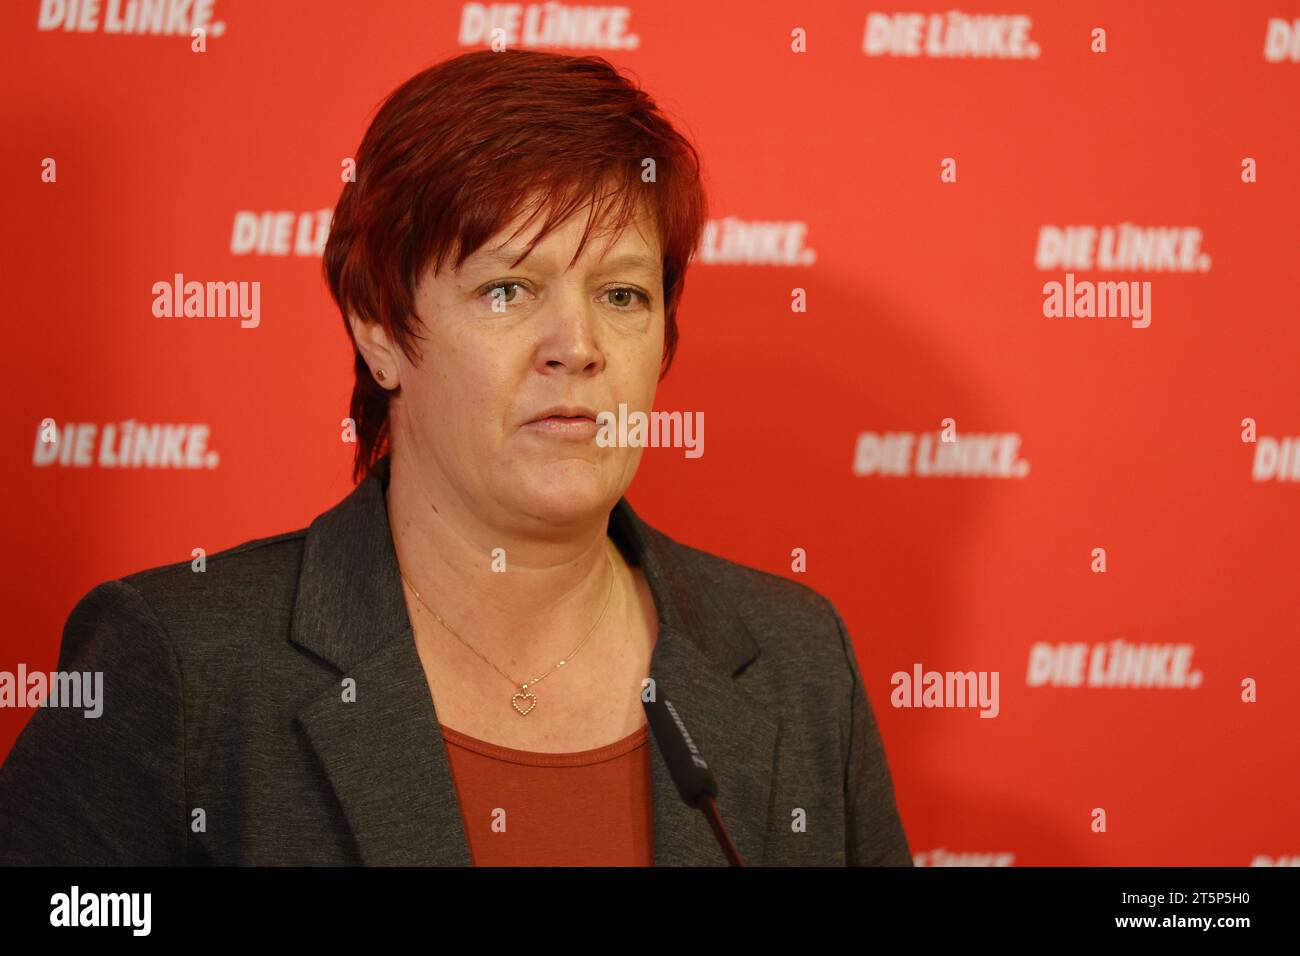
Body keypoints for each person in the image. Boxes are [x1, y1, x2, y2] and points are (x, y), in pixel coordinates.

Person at [0, 48, 911, 866]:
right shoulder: (180, 666)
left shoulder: (800, 661)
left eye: (623, 294)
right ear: (381, 331)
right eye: (509, 288)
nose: (577, 346)